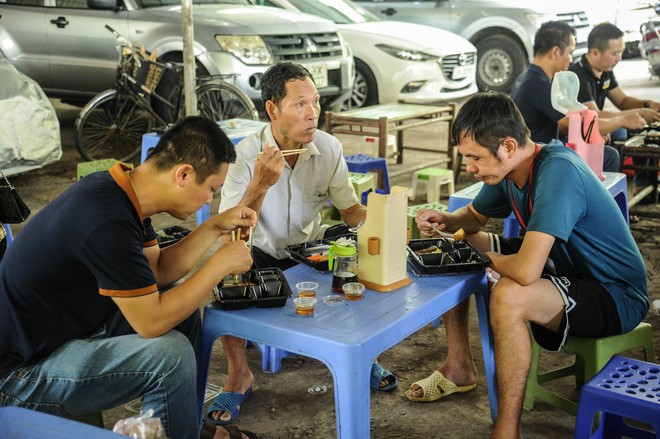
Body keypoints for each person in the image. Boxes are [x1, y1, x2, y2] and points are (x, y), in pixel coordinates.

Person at [0, 116, 262, 439]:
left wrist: (212, 228)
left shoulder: (124, 191)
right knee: (171, 356)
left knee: (184, 317)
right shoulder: (104, 219)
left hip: (60, 336)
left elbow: (157, 270)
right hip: (19, 376)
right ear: (183, 174)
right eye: (211, 190)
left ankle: (184, 428)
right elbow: (149, 322)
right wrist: (219, 266)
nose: (210, 201)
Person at [412, 91, 648, 438]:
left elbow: (525, 271)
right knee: (456, 248)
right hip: (566, 269)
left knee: (509, 294)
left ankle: (508, 430)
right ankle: (459, 366)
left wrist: (483, 257)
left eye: (475, 158)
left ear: (507, 146)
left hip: (616, 294)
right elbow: (472, 218)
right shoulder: (509, 170)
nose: (470, 168)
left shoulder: (557, 171)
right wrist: (445, 221)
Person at [207, 61, 397, 426]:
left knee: (353, 251)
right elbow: (233, 231)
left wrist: (384, 229)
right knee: (226, 268)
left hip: (309, 251)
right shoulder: (245, 156)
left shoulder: (328, 148)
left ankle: (361, 353)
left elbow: (350, 211)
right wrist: (261, 183)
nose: (313, 114)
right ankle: (238, 376)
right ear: (272, 108)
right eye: (300, 104)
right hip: (259, 251)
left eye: (316, 103)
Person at [511, 20, 645, 173]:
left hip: (539, 148)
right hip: (538, 159)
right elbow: (579, 125)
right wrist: (623, 120)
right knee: (609, 156)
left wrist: (602, 127)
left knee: (605, 141)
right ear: (555, 52)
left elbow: (572, 120)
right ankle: (591, 196)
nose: (570, 59)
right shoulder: (539, 85)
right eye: (569, 52)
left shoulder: (528, 77)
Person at [569, 22, 660, 199]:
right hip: (580, 134)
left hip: (597, 126)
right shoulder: (578, 77)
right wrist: (637, 114)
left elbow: (623, 100)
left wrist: (648, 104)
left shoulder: (605, 71)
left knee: (643, 127)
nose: (619, 58)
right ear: (595, 52)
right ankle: (613, 197)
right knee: (622, 130)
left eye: (621, 52)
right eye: (615, 53)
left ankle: (643, 186)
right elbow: (594, 116)